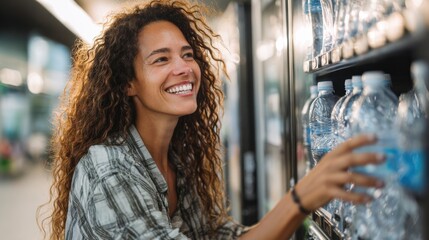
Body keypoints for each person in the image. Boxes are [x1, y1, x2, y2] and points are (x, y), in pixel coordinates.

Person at [41, 0, 385, 239]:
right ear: (127, 83)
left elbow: (223, 237)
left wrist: (305, 198)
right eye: (161, 59)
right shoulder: (109, 168)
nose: (184, 68)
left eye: (187, 54)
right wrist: (300, 198)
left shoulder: (179, 157)